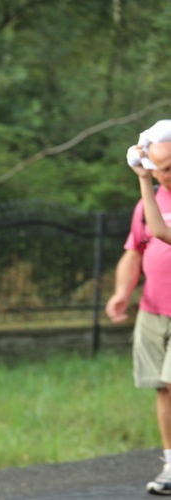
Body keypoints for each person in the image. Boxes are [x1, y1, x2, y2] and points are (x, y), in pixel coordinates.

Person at [111, 123, 171, 495]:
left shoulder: (148, 199)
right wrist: (121, 293)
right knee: (162, 388)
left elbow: (162, 232)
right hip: (153, 310)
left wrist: (142, 181)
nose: (168, 174)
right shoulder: (148, 201)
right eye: (163, 167)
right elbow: (135, 250)